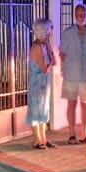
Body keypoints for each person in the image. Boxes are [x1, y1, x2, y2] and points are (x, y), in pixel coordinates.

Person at [60, 3, 86, 144]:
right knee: (71, 104)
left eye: (84, 13)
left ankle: (84, 134)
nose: (81, 16)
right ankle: (72, 134)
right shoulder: (68, 33)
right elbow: (62, 54)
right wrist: (66, 69)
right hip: (71, 76)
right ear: (75, 15)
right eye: (79, 14)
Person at [27, 19, 55, 149]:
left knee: (43, 111)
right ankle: (37, 140)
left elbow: (53, 62)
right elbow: (45, 68)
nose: (51, 31)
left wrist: (49, 48)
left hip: (44, 83)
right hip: (37, 83)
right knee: (36, 111)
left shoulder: (44, 45)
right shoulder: (36, 48)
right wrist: (50, 60)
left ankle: (43, 138)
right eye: (49, 29)